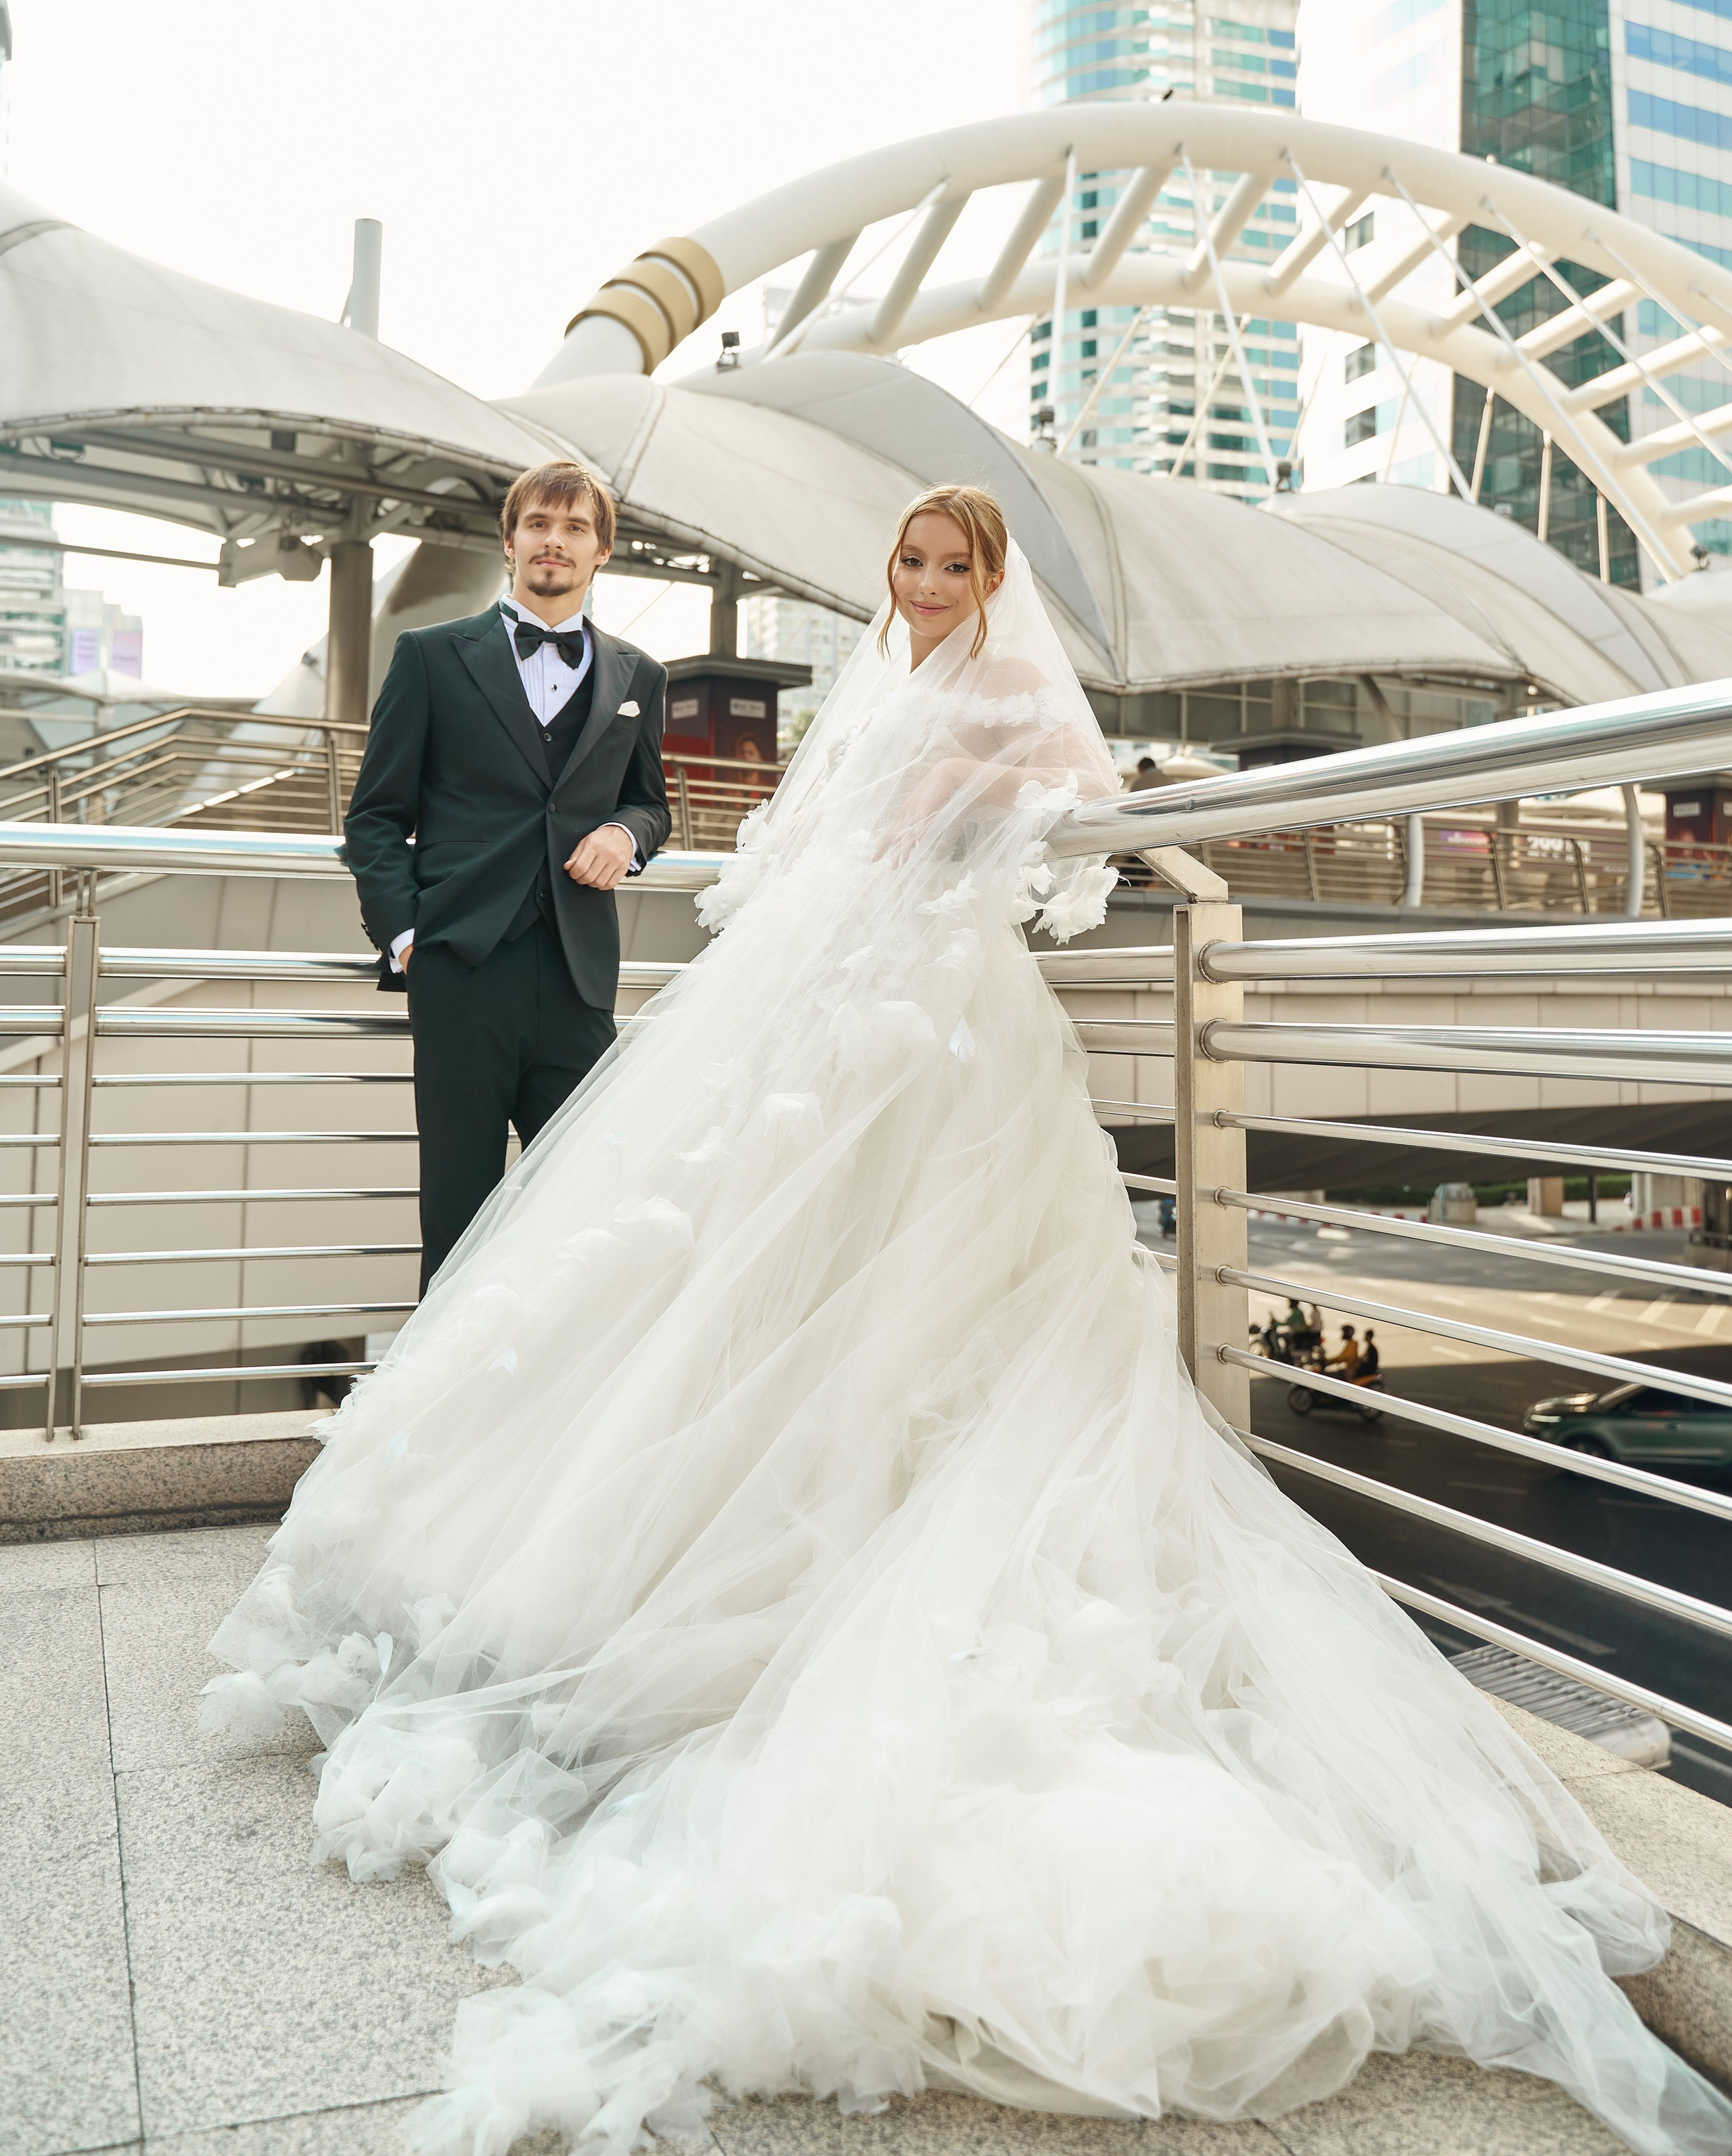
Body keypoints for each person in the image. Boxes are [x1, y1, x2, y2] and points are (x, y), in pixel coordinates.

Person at [205, 485, 1728, 2156]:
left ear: (990, 581)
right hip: (820, 992)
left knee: (944, 1285)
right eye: (912, 561)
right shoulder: (879, 668)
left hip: (939, 1006)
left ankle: (867, 1532)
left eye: (951, 566)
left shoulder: (1002, 682)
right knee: (752, 1272)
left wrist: (964, 801)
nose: (925, 583)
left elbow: (1075, 790)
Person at [341, 461, 670, 1293]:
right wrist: (408, 939)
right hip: (461, 969)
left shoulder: (639, 675)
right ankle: (438, 1382)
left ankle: (559, 1377)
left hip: (577, 974)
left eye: (575, 528)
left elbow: (650, 805)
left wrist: (624, 833)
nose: (555, 541)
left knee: (584, 1209)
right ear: (510, 540)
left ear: (602, 550)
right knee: (458, 1215)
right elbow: (375, 816)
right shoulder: (430, 656)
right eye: (539, 524)